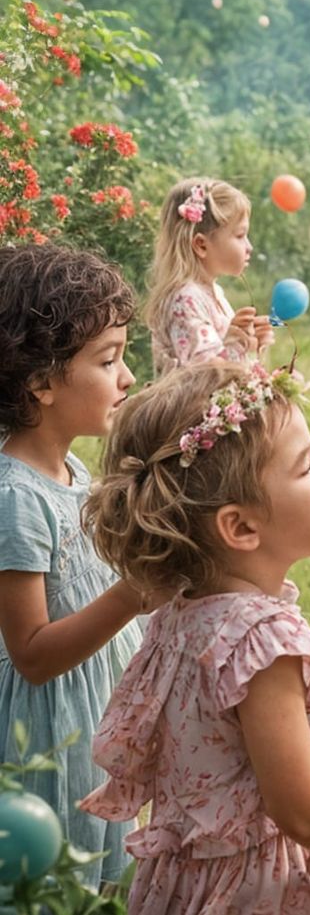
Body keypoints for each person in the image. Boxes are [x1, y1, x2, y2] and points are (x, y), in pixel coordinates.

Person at [81, 359, 310, 911]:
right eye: (307, 466)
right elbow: (298, 808)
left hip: (187, 880)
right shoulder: (261, 645)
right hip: (256, 888)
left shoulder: (179, 613)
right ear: (241, 527)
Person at [0, 244, 146, 890]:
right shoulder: (15, 498)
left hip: (88, 711)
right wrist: (132, 594)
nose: (128, 376)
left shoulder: (70, 470)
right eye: (108, 360)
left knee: (102, 868)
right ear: (42, 383)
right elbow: (31, 653)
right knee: (56, 878)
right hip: (47, 736)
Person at [146, 176, 271, 373]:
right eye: (240, 235)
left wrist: (252, 343)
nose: (249, 247)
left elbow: (227, 361)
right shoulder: (185, 300)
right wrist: (236, 342)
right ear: (201, 245)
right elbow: (202, 375)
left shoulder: (213, 292)